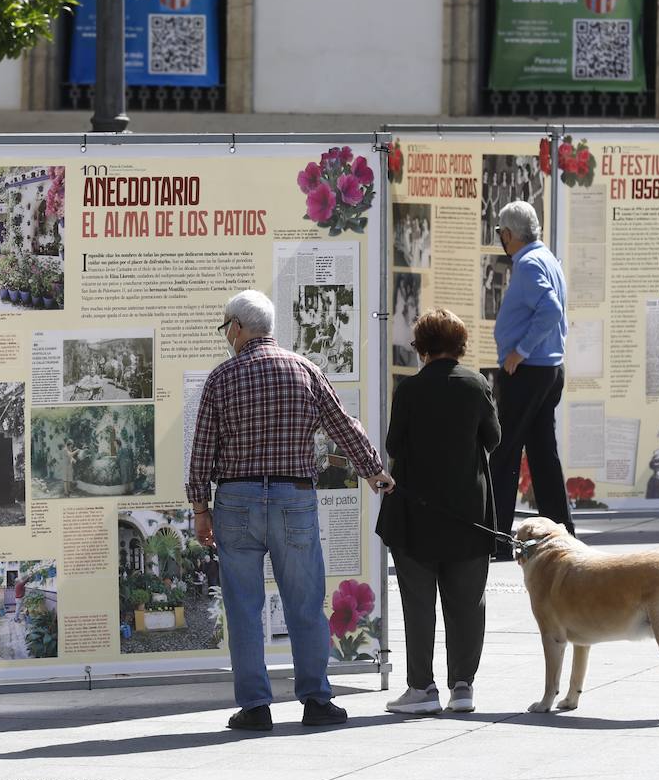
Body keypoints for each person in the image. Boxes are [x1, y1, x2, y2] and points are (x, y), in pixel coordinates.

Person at [187, 290, 395, 732]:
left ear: (238, 328)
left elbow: (202, 450)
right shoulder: (305, 371)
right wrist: (373, 470)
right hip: (294, 500)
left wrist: (200, 507)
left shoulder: (221, 378)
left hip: (237, 501)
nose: (226, 336)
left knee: (243, 608)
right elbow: (343, 424)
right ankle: (317, 700)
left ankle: (256, 707)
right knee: (304, 604)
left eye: (226, 327)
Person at [377, 309, 501, 715]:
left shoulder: (409, 390)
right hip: (468, 512)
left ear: (421, 346)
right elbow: (493, 439)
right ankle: (462, 686)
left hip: (416, 512)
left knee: (418, 602)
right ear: (460, 345)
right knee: (468, 601)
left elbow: (395, 445)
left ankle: (421, 688)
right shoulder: (477, 384)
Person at [489, 200, 573, 557]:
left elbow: (550, 309)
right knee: (542, 454)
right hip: (547, 370)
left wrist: (519, 351)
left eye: (500, 234)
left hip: (528, 370)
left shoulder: (528, 264)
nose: (501, 241)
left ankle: (498, 540)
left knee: (505, 454)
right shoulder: (547, 258)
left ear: (509, 234)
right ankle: (562, 533)